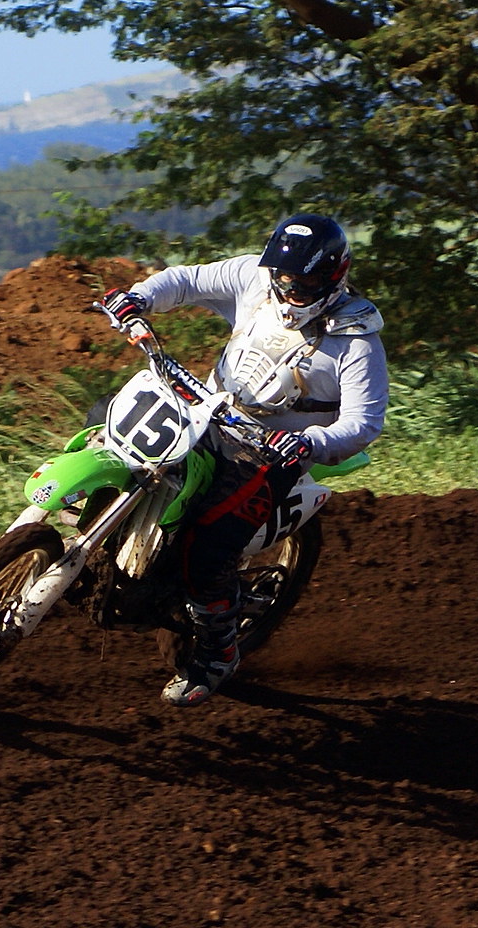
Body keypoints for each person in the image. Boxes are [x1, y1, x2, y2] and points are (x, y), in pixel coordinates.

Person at [102, 213, 389, 707]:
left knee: (210, 545)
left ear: (337, 273)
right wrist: (141, 298)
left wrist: (310, 444)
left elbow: (364, 423)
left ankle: (217, 653)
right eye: (285, 277)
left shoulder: (357, 341)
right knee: (102, 428)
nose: (292, 290)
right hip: (205, 410)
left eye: (307, 281)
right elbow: (188, 280)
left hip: (269, 451)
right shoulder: (254, 280)